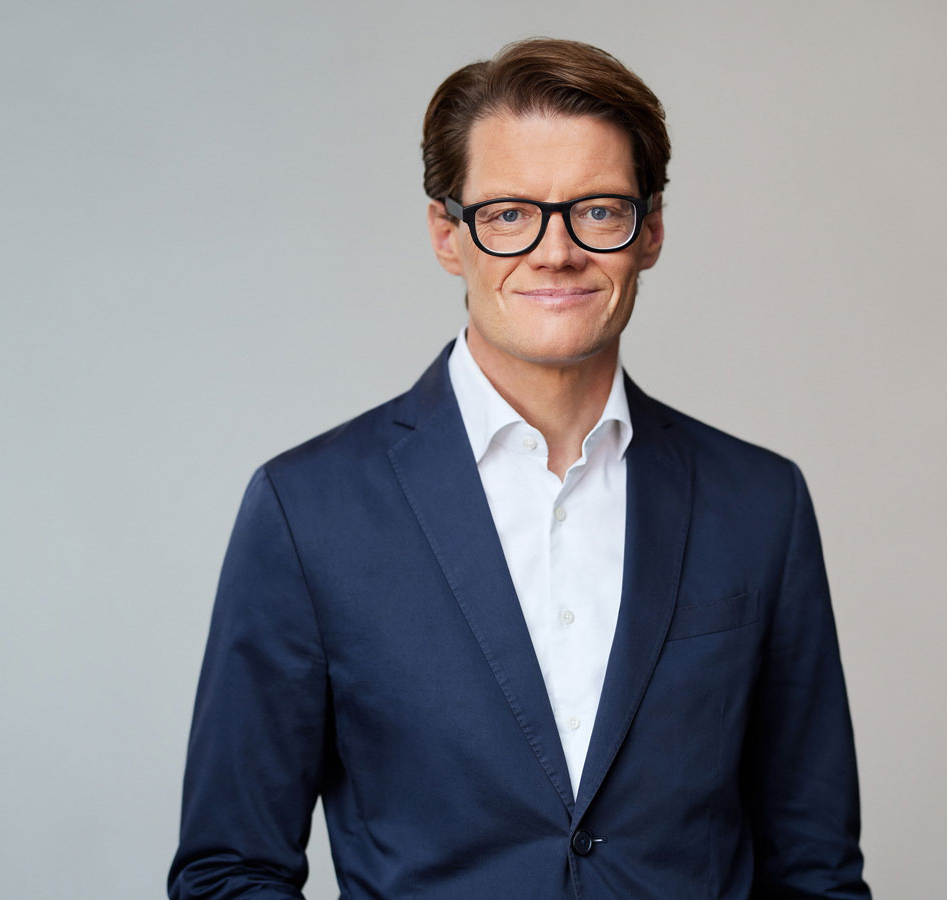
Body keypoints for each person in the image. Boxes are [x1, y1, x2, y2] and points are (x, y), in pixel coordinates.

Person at [168, 37, 871, 900]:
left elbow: (816, 869)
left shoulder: (760, 505)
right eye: (508, 214)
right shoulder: (307, 511)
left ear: (649, 231)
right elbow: (229, 870)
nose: (555, 252)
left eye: (599, 210)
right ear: (446, 234)